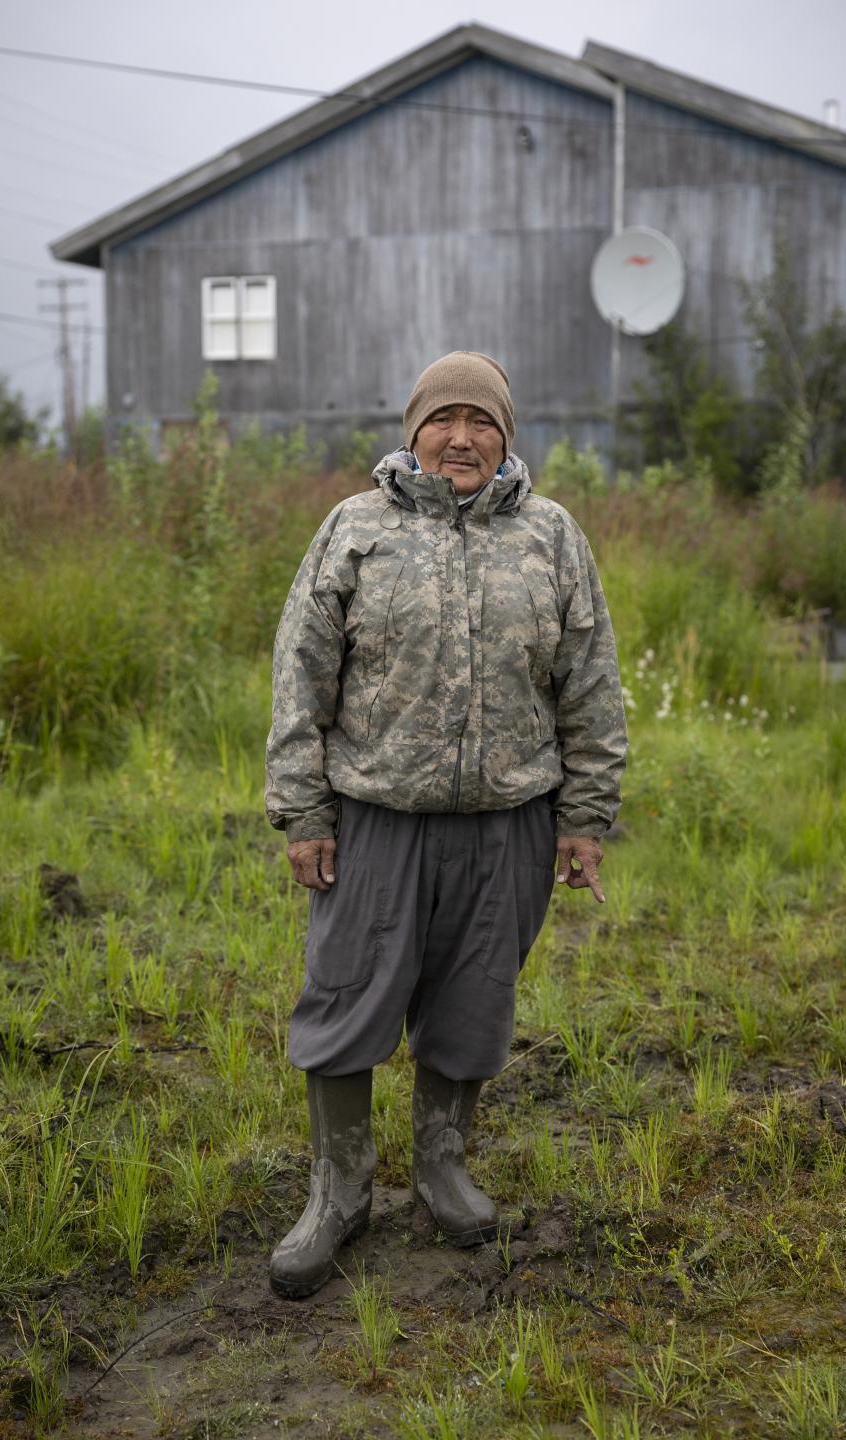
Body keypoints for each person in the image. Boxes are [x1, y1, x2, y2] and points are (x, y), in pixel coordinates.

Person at [265, 351, 627, 1299]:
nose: (461, 439)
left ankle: (440, 1168)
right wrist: (304, 810)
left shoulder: (551, 536)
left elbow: (590, 683)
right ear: (412, 429)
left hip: (509, 823)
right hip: (377, 818)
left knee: (473, 1003)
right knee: (346, 1001)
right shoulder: (356, 528)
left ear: (507, 436)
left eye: (483, 422)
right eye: (443, 420)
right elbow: (300, 677)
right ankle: (339, 1193)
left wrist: (585, 814)